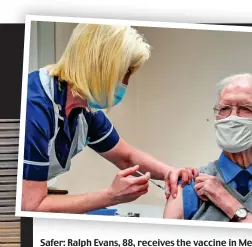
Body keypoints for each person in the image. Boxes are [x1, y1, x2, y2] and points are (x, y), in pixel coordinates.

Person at [22, 24, 197, 214]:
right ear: (100, 67)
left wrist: (170, 172)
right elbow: (31, 205)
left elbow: (126, 157)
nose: (125, 83)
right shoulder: (34, 106)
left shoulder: (85, 112)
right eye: (125, 73)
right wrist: (111, 195)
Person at [163, 74, 252, 225]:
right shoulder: (188, 183)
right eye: (224, 108)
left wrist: (227, 201)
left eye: (246, 108)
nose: (232, 117)